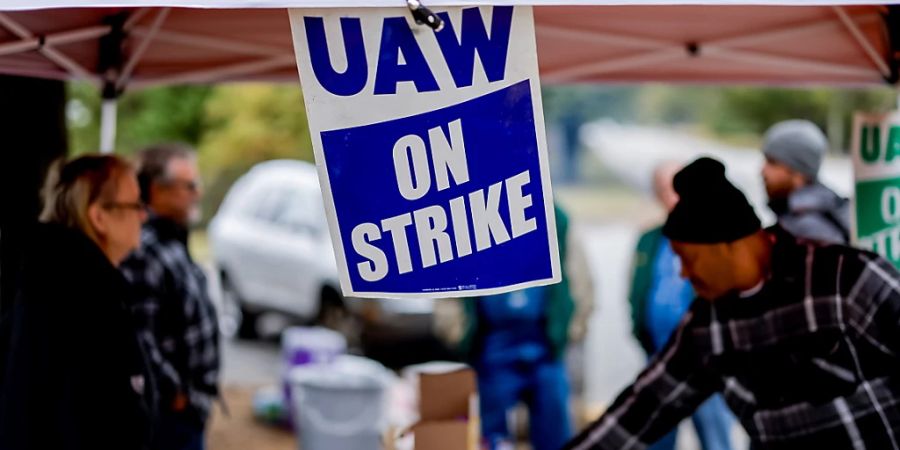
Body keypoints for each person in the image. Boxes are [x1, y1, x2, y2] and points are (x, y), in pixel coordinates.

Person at [566, 156, 900, 450]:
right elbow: (643, 409)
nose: (684, 273)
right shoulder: (707, 326)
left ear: (727, 245)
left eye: (688, 258)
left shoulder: (846, 277)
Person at [0, 155, 154, 450]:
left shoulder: (54, 277)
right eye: (135, 204)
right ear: (99, 217)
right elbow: (90, 419)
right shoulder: (83, 296)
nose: (144, 215)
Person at [120, 144, 220, 450]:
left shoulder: (171, 239)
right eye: (189, 185)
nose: (197, 193)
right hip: (168, 416)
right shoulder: (144, 249)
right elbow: (137, 338)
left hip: (187, 410)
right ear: (155, 190)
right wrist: (177, 395)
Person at [628, 162, 734, 450]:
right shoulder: (650, 240)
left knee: (715, 438)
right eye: (665, 189)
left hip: (705, 363)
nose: (673, 196)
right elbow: (636, 291)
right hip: (661, 358)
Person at [458, 205, 575, 450]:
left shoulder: (556, 218)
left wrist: (570, 329)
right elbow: (452, 278)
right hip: (494, 346)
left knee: (554, 430)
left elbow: (578, 278)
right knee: (492, 435)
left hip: (544, 345)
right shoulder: (469, 214)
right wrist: (458, 332)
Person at [760, 119, 850, 243]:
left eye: (772, 163)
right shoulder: (825, 208)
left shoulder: (809, 228)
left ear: (799, 173)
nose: (762, 170)